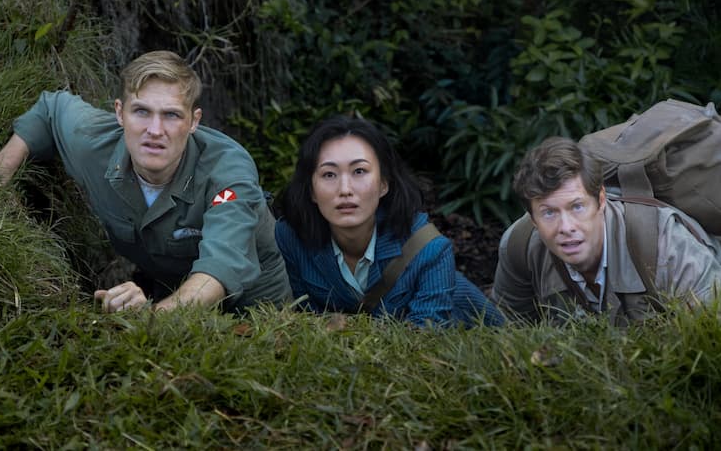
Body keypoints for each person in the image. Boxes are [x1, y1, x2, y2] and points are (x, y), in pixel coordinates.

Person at [0, 50, 291, 313]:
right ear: (120, 113)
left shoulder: (228, 171)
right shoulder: (95, 144)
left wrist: (150, 320)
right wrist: (3, 164)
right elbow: (52, 110)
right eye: (142, 112)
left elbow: (220, 265)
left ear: (194, 121)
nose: (154, 130)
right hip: (171, 288)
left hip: (256, 301)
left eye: (171, 115)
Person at [274, 114, 504, 328]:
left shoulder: (429, 249)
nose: (345, 190)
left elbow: (424, 339)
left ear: (384, 183)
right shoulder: (290, 237)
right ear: (312, 190)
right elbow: (303, 320)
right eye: (329, 174)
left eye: (359, 171)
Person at [492, 136, 721, 325]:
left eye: (577, 207)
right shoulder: (519, 246)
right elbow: (512, 339)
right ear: (532, 218)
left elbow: (711, 339)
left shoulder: (664, 243)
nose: (566, 227)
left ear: (601, 200)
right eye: (549, 213)